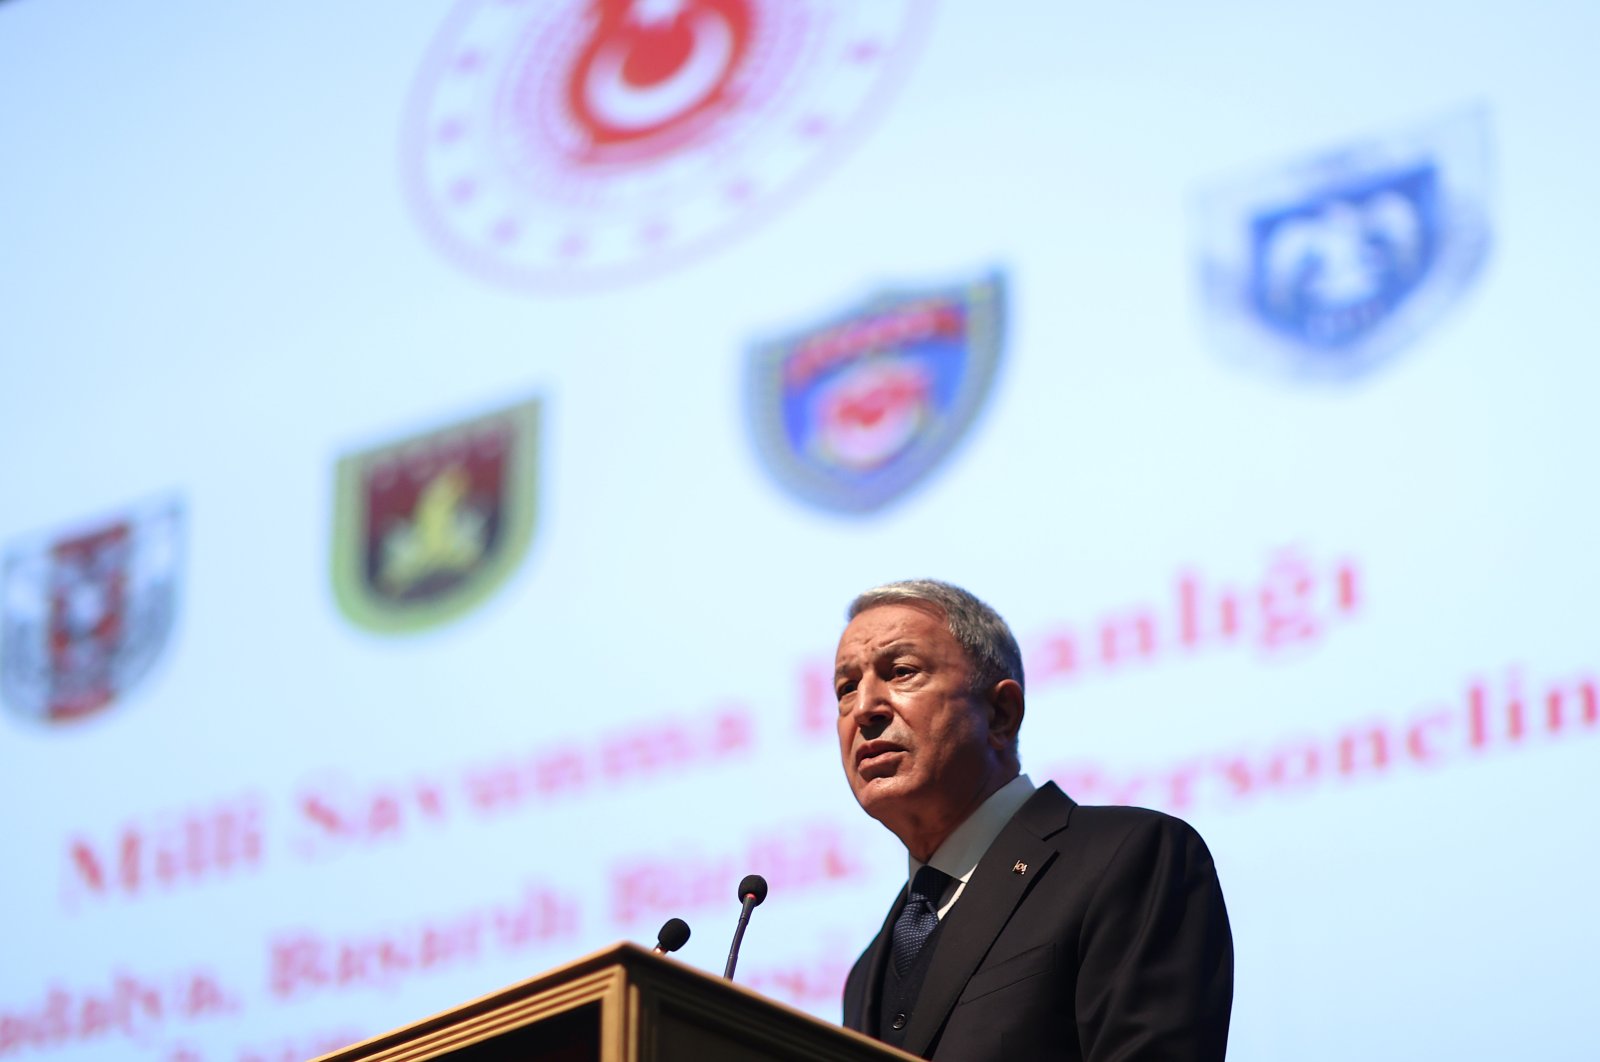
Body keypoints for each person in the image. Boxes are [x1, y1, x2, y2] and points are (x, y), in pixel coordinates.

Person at [835, 579, 1233, 1060]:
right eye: (846, 687)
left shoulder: (1129, 857)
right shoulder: (866, 973)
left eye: (900, 671)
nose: (863, 708)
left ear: (1001, 715)